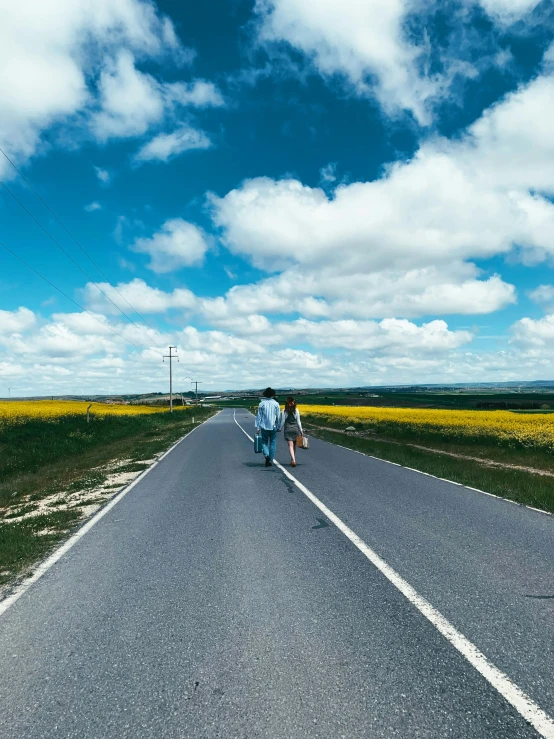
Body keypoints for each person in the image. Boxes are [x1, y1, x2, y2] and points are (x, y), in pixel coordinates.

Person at [255, 387, 281, 467]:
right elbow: (278, 416)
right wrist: (279, 426)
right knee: (273, 443)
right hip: (273, 426)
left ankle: (266, 456)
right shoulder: (276, 404)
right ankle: (270, 460)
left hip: (264, 426)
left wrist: (258, 427)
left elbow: (259, 416)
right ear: (273, 395)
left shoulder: (262, 403)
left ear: (265, 395)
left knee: (264, 442)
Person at [279, 396, 303, 467]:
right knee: (294, 445)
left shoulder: (284, 411)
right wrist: (301, 430)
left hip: (288, 429)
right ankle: (292, 460)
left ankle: (293, 460)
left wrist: (280, 428)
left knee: (290, 445)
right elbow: (299, 421)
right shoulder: (296, 410)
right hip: (295, 429)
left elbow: (283, 421)